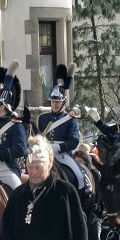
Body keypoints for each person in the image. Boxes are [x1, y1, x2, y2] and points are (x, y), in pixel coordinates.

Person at [38, 64, 88, 193]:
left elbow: (74, 141)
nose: (54, 104)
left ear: (63, 103)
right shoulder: (43, 118)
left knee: (80, 178)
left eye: (57, 102)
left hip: (62, 155)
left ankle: (81, 208)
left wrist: (59, 147)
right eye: (53, 102)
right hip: (45, 154)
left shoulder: (70, 119)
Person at [0, 60, 28, 191]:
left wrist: (0, 155)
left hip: (6, 170)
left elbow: (21, 149)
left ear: (2, 107)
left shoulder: (15, 126)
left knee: (17, 191)